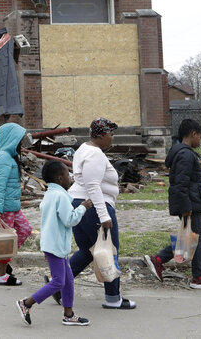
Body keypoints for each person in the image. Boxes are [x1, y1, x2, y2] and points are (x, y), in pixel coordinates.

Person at [65, 118, 136, 309]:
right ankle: (113, 298)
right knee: (108, 250)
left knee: (88, 250)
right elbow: (93, 185)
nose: (112, 139)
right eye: (111, 135)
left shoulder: (84, 149)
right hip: (94, 206)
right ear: (102, 135)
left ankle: (58, 285)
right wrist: (104, 216)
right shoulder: (95, 153)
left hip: (82, 204)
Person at [144, 119, 201, 289]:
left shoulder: (181, 153)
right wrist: (186, 208)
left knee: (189, 238)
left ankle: (158, 260)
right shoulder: (186, 155)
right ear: (193, 134)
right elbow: (181, 183)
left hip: (190, 202)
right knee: (195, 239)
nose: (200, 141)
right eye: (200, 137)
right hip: (190, 204)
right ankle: (198, 277)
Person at [16, 160, 93, 326]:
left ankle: (69, 314)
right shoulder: (61, 197)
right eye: (67, 174)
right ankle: (27, 303)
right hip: (56, 246)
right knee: (59, 281)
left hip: (53, 244)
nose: (69, 177)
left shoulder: (50, 194)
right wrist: (82, 208)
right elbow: (69, 220)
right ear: (59, 178)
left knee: (68, 279)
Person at [0, 122, 32, 286]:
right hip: (5, 207)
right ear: (12, 139)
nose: (21, 143)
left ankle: (1, 259)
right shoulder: (3, 158)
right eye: (19, 139)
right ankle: (1, 275)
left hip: (12, 205)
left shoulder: (6, 157)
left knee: (25, 229)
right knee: (6, 240)